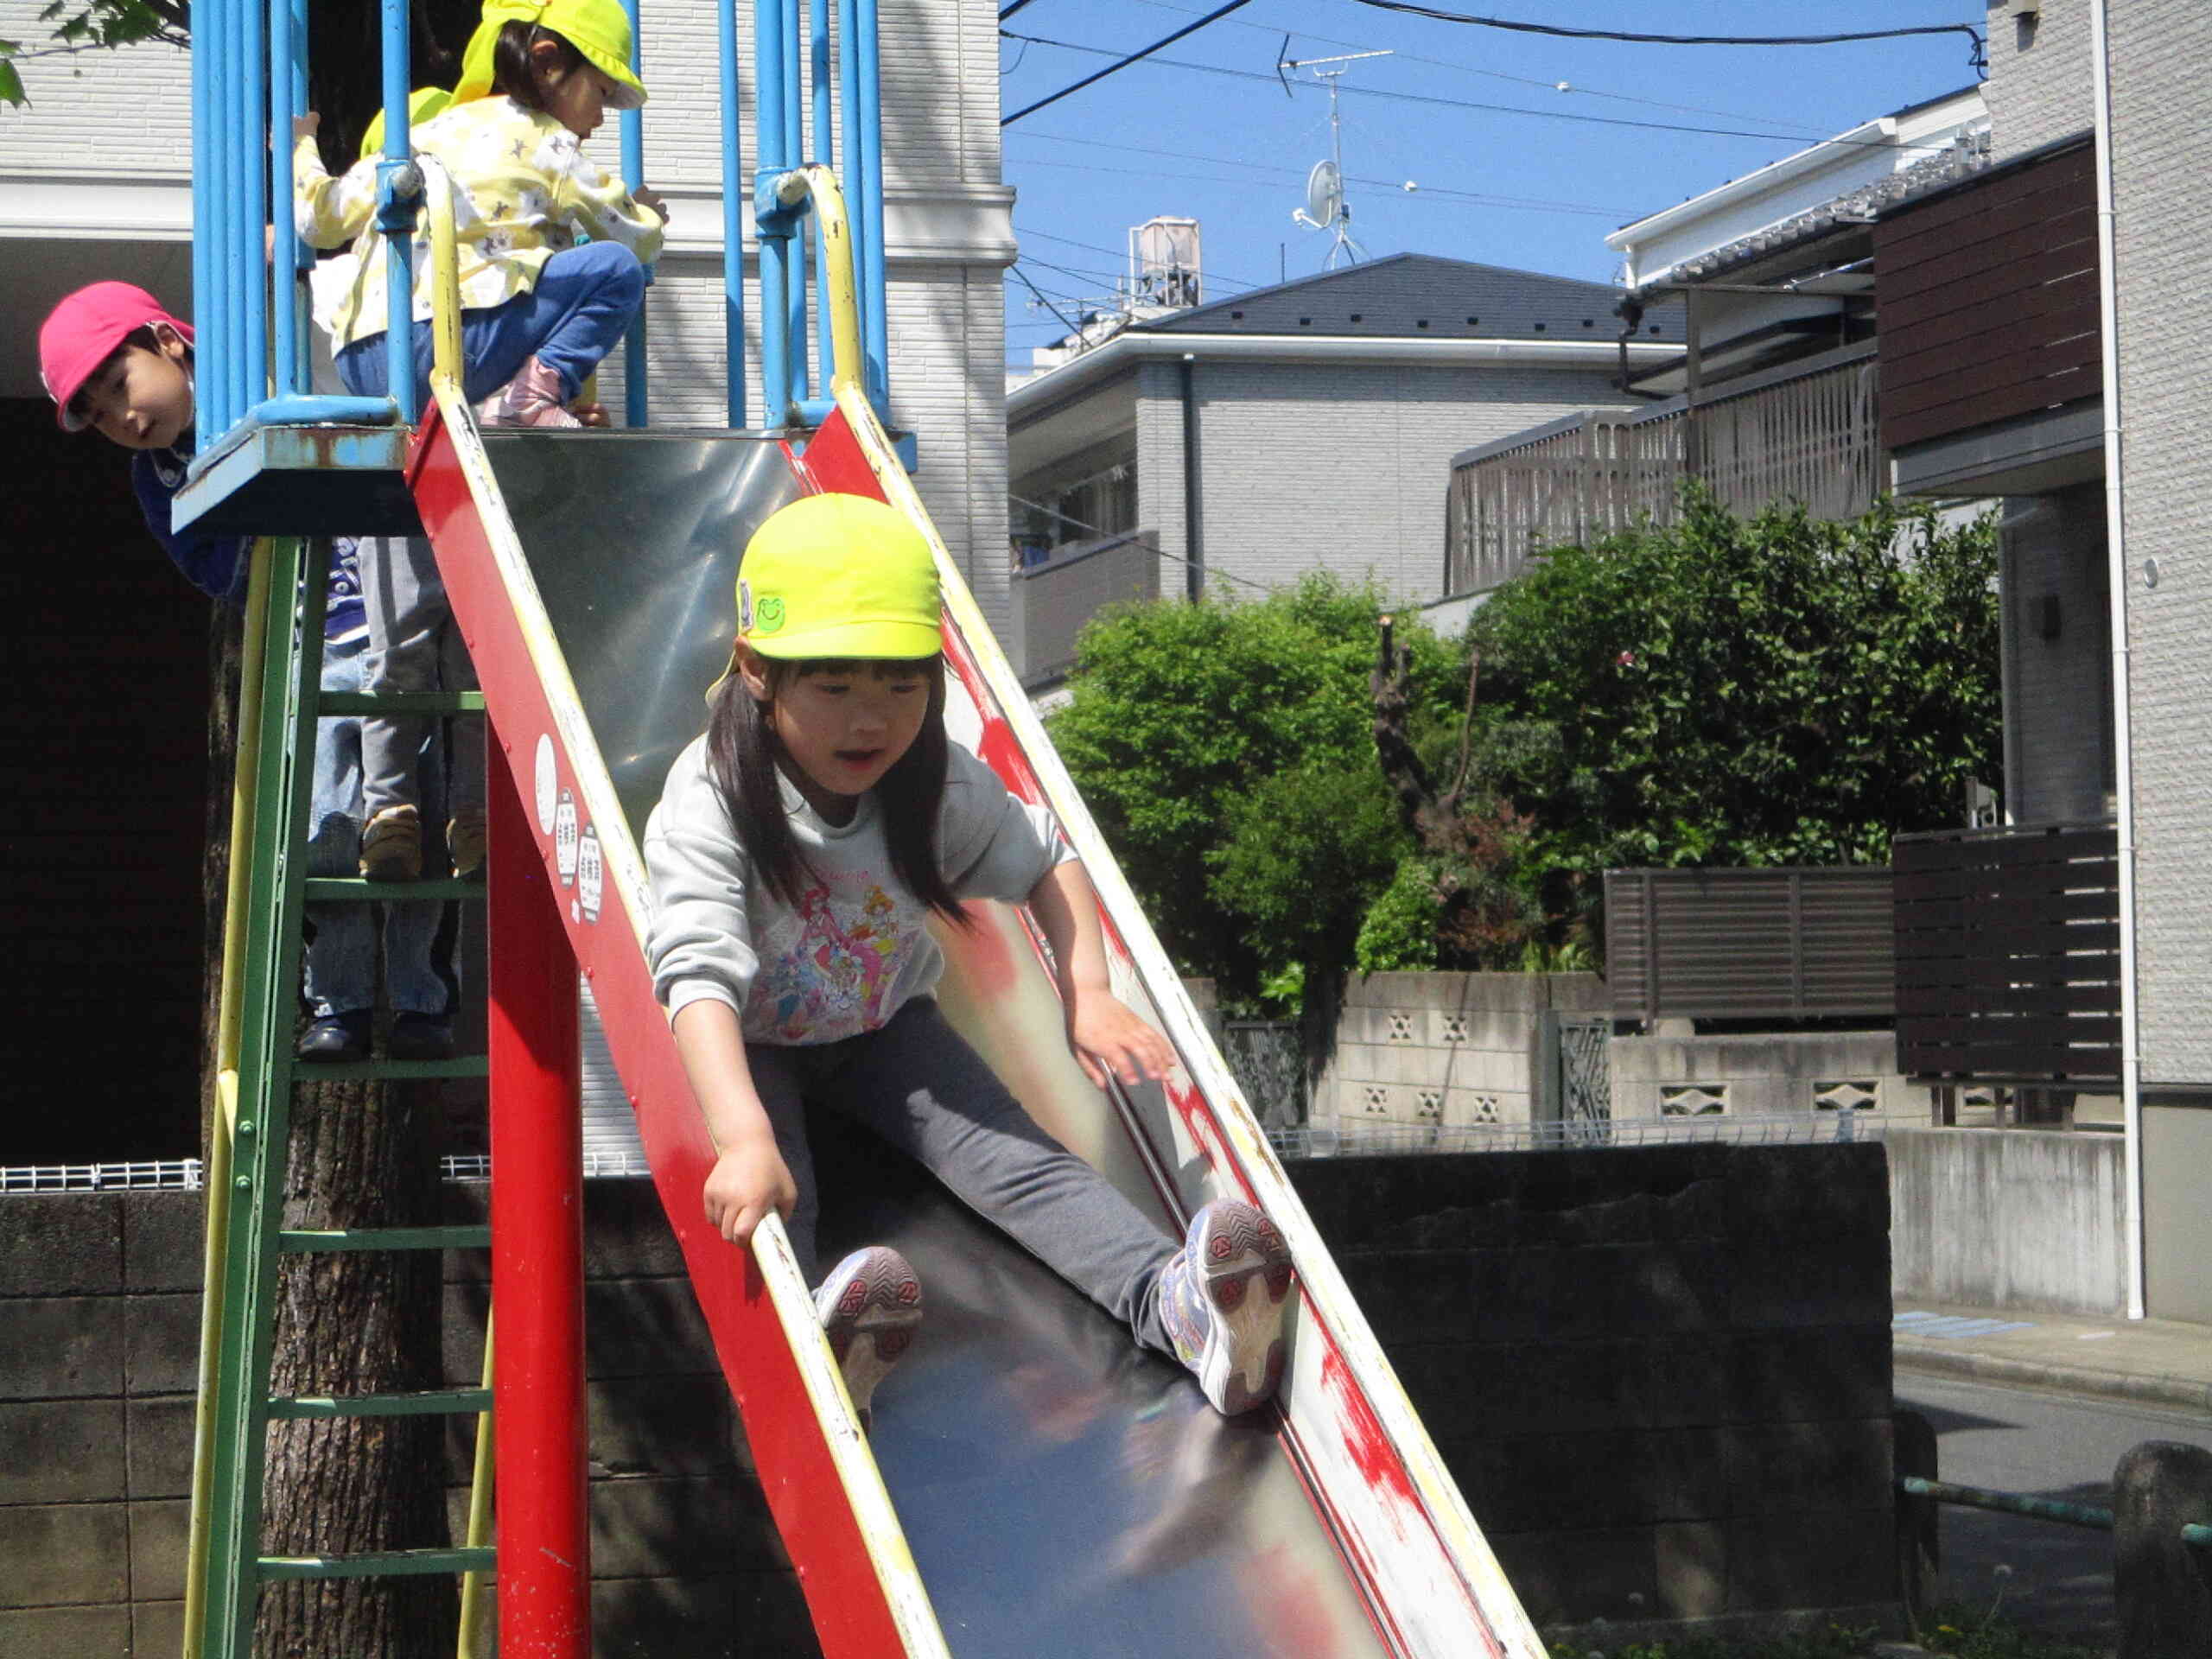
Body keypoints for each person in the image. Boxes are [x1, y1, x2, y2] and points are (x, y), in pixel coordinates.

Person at [643, 493, 1298, 1425]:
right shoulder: (711, 800)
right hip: (747, 1041)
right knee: (777, 1184)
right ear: (756, 672)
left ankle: (1180, 1311)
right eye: (833, 687)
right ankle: (816, 1344)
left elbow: (1047, 859)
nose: (870, 719)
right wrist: (741, 1137)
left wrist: (1087, 993)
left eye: (900, 685)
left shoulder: (933, 782)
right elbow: (698, 972)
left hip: (879, 1027)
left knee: (1015, 1159)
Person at [291, 0, 668, 880]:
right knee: (608, 272)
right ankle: (465, 808)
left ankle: (392, 800)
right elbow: (630, 241)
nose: (601, 113)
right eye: (600, 92)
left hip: (375, 365)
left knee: (400, 640)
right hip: (458, 349)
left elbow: (316, 221)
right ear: (545, 64)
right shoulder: (542, 138)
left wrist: (305, 143)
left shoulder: (410, 146)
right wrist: (646, 217)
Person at [35, 282, 455, 1061]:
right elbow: (207, 566)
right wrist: (253, 536)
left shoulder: (273, 391)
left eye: (120, 386)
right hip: (312, 640)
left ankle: (424, 998)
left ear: (165, 341)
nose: (124, 418)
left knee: (413, 817)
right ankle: (343, 1002)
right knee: (326, 825)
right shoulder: (159, 477)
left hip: (396, 634)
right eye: (97, 415)